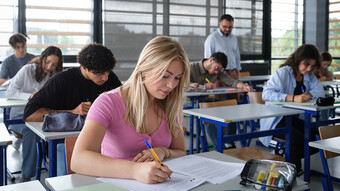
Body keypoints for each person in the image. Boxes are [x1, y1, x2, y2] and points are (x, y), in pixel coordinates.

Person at [71, 36, 189, 184]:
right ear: (145, 67)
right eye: (165, 76)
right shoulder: (108, 102)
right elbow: (78, 160)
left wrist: (163, 151)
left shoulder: (171, 104)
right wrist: (135, 170)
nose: (171, 85)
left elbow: (181, 152)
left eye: (178, 78)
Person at [23, 43, 122, 176]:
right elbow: (30, 114)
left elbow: (124, 104)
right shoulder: (61, 81)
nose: (105, 77)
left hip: (102, 139)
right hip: (65, 142)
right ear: (84, 67)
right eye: (98, 74)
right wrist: (71, 112)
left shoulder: (110, 78)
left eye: (108, 72)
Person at [260, 44, 324, 174]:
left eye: (312, 66)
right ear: (298, 59)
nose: (308, 69)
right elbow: (266, 94)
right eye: (306, 64)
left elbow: (320, 91)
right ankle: (292, 170)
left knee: (318, 136)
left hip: (293, 118)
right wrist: (292, 98)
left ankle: (288, 160)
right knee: (296, 139)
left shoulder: (309, 75)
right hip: (277, 119)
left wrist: (309, 94)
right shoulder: (283, 72)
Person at [6, 46, 63, 182]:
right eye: (47, 62)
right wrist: (31, 96)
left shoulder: (54, 75)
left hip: (41, 116)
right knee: (31, 132)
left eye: (54, 64)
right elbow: (10, 92)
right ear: (42, 58)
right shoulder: (27, 70)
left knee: (59, 127)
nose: (49, 67)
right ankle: (26, 177)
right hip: (20, 117)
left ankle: (59, 174)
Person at [190, 52, 252, 149]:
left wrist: (244, 86)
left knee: (230, 108)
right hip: (189, 102)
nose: (216, 72)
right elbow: (183, 85)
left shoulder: (217, 72)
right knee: (208, 113)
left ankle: (229, 143)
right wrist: (203, 86)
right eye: (216, 68)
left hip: (205, 100)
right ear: (211, 60)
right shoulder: (191, 67)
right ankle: (220, 147)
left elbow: (231, 81)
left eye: (219, 70)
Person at [204, 14, 241, 80]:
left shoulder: (234, 38)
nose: (227, 29)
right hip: (219, 74)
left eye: (230, 27)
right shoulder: (212, 38)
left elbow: (237, 56)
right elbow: (208, 59)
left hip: (233, 73)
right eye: (224, 26)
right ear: (219, 24)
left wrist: (237, 71)